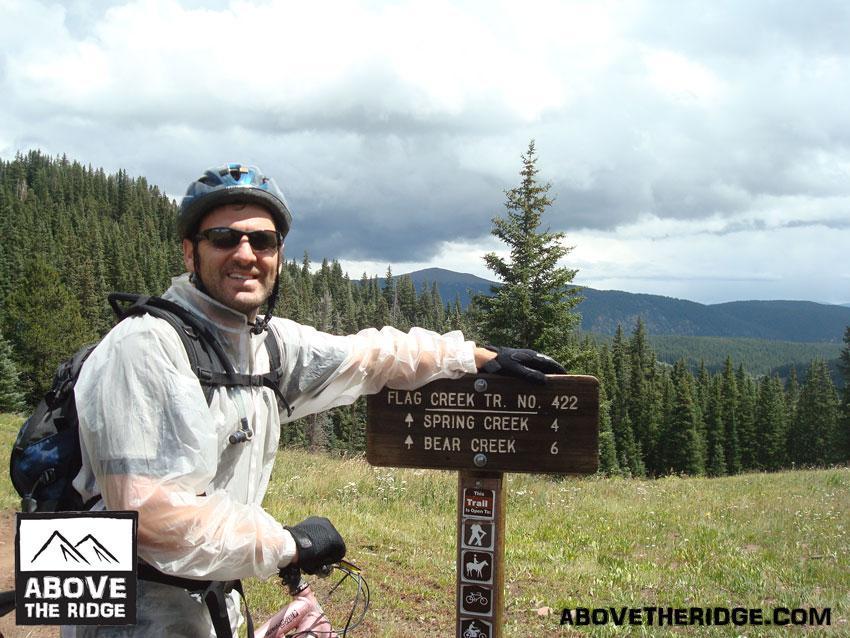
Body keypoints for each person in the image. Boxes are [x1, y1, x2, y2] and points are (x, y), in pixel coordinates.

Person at [64, 163, 565, 637]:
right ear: (190, 252)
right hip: (127, 606)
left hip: (207, 596)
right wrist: (288, 545)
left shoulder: (265, 344)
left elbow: (367, 357)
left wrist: (472, 356)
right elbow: (149, 518)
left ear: (278, 255)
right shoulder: (145, 346)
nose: (245, 253)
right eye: (223, 237)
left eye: (261, 240)